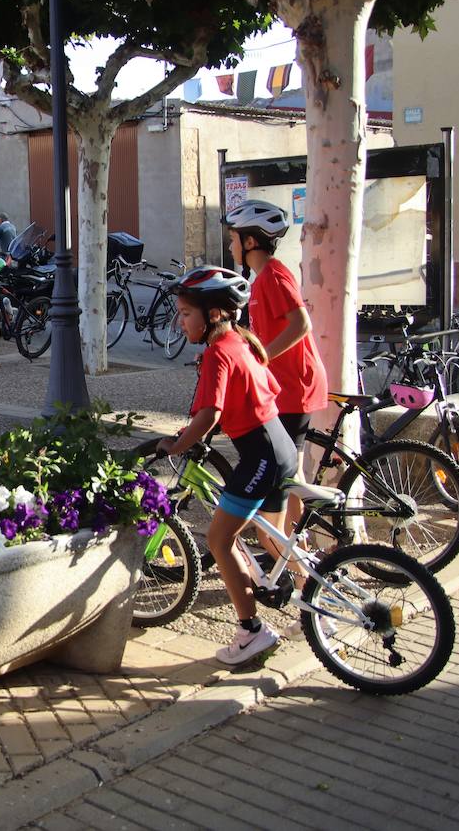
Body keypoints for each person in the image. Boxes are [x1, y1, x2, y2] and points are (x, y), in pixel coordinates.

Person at [156, 266, 296, 666]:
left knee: (219, 541)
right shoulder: (241, 340)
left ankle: (251, 632)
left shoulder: (218, 352)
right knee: (273, 539)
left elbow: (210, 414)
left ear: (214, 313)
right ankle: (310, 606)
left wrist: (178, 444)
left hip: (260, 456)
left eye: (185, 314)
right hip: (279, 445)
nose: (179, 322)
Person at [224, 200, 328, 559]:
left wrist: (262, 357)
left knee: (283, 476)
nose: (230, 244)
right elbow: (262, 332)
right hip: (284, 388)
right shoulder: (260, 279)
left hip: (295, 388)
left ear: (251, 241)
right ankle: (297, 548)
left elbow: (301, 324)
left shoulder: (275, 274)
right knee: (291, 474)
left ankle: (288, 554)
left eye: (234, 238)